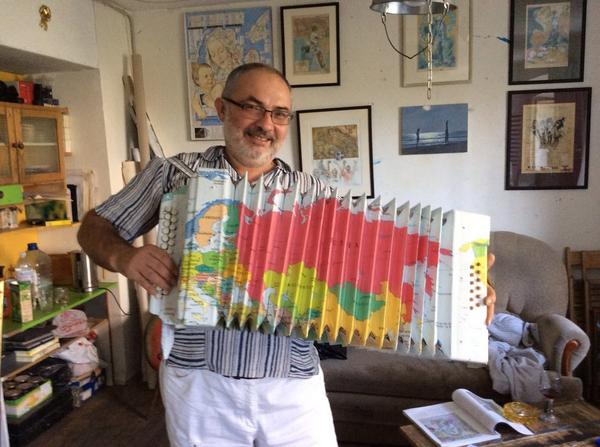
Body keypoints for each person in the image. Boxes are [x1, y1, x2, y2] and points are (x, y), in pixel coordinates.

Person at [78, 63, 496, 447]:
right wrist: (125, 258)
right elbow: (94, 228)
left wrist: (467, 288)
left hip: (293, 387)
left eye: (279, 114)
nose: (266, 124)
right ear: (222, 109)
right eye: (252, 107)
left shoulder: (316, 195)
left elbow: (382, 261)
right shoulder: (171, 174)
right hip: (200, 385)